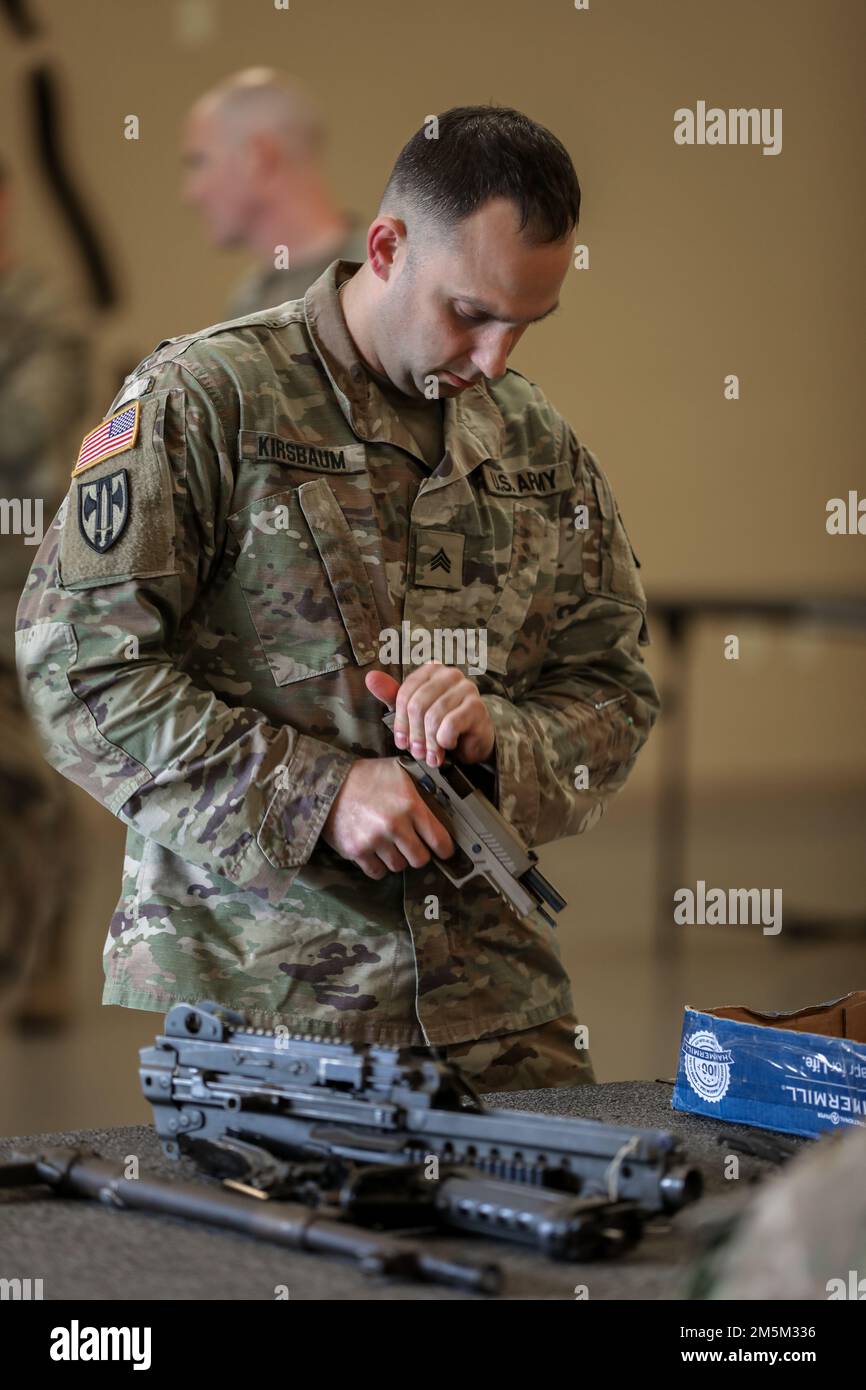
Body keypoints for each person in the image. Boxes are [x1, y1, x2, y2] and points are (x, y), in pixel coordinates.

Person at [16, 105, 659, 1091]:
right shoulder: (207, 400)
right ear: (386, 246)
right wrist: (318, 794)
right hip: (269, 1013)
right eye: (471, 313)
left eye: (525, 322)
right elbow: (78, 672)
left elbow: (612, 688)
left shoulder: (533, 440)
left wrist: (503, 736)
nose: (494, 360)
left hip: (499, 1006)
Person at [0, 159, 89, 1027]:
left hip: (26, 598)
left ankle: (46, 964)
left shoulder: (42, 327)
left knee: (36, 789)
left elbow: (30, 448)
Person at [182, 68, 368, 317]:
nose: (192, 193)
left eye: (200, 162)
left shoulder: (377, 277)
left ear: (258, 158)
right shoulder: (248, 303)